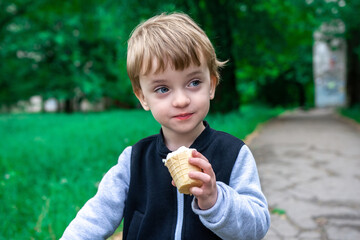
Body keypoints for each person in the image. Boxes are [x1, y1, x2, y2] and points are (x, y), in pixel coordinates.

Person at [61, 12, 270, 240]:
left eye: (194, 83)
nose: (181, 100)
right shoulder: (134, 161)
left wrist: (216, 199)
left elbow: (257, 227)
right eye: (162, 89)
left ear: (212, 85)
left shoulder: (234, 154)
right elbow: (94, 217)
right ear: (143, 97)